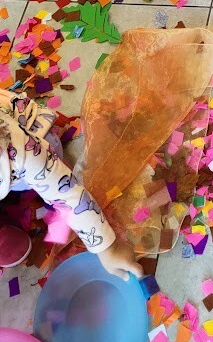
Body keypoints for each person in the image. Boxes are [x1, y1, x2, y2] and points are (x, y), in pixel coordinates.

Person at [0, 88, 143, 279]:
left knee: (49, 164)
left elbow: (68, 196)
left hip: (29, 132)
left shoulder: (18, 151)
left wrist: (108, 249)